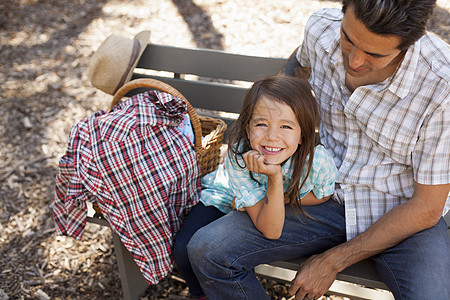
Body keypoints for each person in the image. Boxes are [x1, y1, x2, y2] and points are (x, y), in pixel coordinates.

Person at [187, 0, 450, 299]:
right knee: (207, 250)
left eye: (374, 54)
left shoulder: (442, 84)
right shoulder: (321, 29)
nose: (353, 61)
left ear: (412, 42)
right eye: (348, 39)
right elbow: (295, 69)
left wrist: (333, 260)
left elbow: (427, 207)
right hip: (317, 192)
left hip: (402, 215)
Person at [173, 76, 338, 299]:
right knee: (184, 248)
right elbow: (264, 219)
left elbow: (320, 197)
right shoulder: (240, 156)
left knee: (223, 252)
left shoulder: (316, 162)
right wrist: (264, 199)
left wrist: (276, 188)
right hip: (226, 193)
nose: (272, 136)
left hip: (262, 202)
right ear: (248, 128)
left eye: (286, 126)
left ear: (302, 135)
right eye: (261, 124)